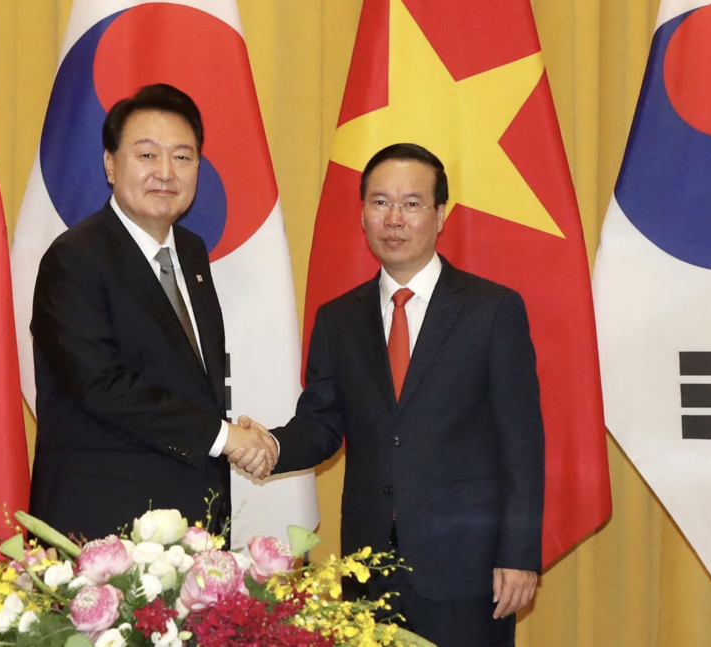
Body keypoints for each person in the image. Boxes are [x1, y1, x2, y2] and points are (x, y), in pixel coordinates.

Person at [233, 143, 545, 647]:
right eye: (380, 202)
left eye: (411, 203)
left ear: (440, 215)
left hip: (467, 569)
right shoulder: (338, 319)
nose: (394, 218)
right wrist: (267, 444)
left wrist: (519, 554)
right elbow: (321, 423)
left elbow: (523, 447)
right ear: (363, 215)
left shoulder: (492, 311)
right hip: (369, 568)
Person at [28, 84, 276, 541]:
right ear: (110, 164)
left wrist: (231, 433)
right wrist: (223, 438)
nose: (166, 172)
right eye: (147, 155)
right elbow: (102, 386)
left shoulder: (192, 252)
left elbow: (188, 381)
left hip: (190, 523)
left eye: (182, 157)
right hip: (104, 532)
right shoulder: (75, 259)